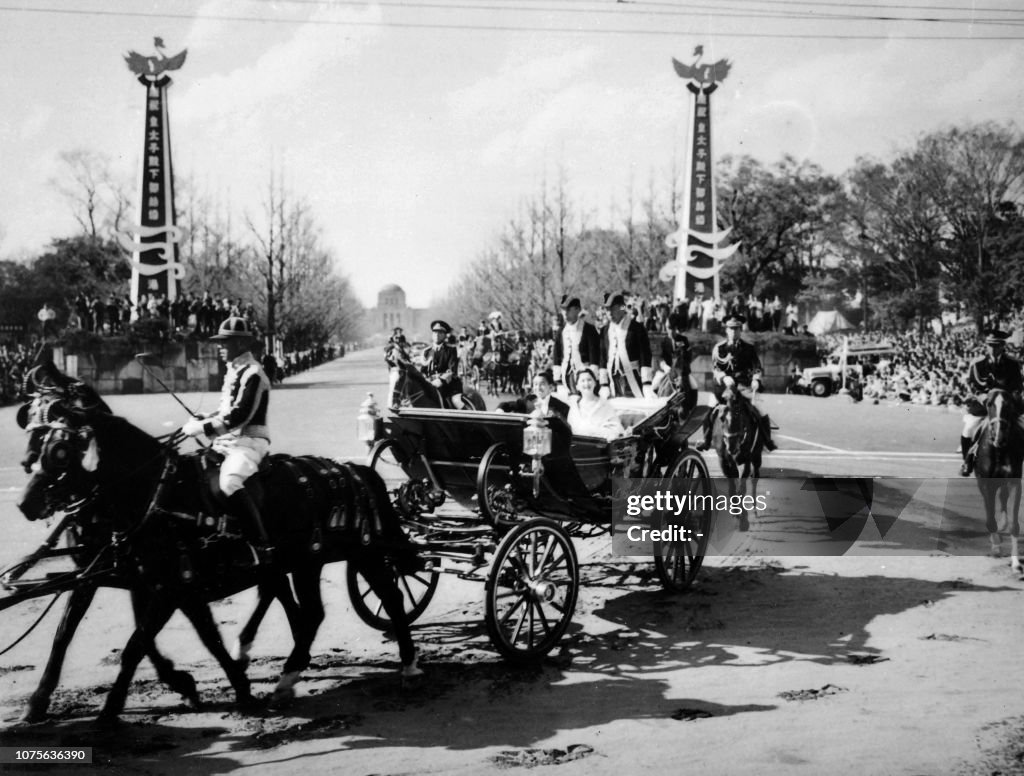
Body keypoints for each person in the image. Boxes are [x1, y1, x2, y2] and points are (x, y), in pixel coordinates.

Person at [181, 316, 273, 565]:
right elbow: (226, 411)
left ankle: (259, 544)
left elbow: (241, 416)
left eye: (225, 343)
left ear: (241, 345)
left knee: (229, 482)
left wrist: (201, 427)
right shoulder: (234, 370)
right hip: (228, 441)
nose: (220, 347)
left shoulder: (254, 373)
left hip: (249, 441)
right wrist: (206, 417)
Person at [697, 314, 777, 452]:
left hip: (744, 385)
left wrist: (756, 379)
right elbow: (716, 367)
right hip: (723, 387)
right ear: (726, 330)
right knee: (710, 410)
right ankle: (706, 439)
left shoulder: (749, 348)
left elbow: (757, 366)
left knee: (760, 410)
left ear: (741, 330)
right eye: (731, 328)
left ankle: (767, 441)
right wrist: (723, 377)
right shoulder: (719, 348)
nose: (734, 331)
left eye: (737, 328)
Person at [958, 329, 1024, 476]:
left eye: (996, 345)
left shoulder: (1012, 364)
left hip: (1006, 407)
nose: (993, 349)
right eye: (990, 345)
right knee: (968, 429)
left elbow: (1017, 385)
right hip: (983, 407)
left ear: (1002, 346)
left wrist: (1010, 397)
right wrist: (981, 397)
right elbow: (973, 384)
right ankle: (967, 462)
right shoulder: (978, 364)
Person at [599, 292, 654, 400]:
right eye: (607, 309)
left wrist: (646, 383)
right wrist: (604, 384)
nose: (609, 313)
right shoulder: (604, 331)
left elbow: (645, 355)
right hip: (613, 382)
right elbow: (602, 357)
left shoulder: (637, 328)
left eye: (613, 308)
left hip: (633, 379)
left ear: (622, 308)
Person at [552, 296, 601, 397]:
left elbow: (594, 355)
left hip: (584, 377)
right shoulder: (561, 331)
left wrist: (593, 376)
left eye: (569, 310)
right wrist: (558, 377)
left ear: (578, 310)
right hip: (566, 376)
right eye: (563, 310)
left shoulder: (589, 330)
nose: (565, 313)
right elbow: (557, 355)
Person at [655, 311, 698, 414]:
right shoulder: (663, 341)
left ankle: (691, 407)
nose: (669, 331)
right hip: (667, 370)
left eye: (670, 328)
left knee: (694, 385)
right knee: (653, 385)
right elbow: (660, 357)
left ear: (675, 328)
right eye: (667, 328)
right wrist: (664, 365)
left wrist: (683, 365)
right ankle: (656, 408)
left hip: (682, 371)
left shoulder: (684, 340)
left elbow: (688, 356)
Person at [567, 368, 625, 441]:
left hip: (601, 447)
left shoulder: (605, 405)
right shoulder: (574, 408)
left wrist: (593, 431)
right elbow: (569, 431)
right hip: (579, 447)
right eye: (583, 381)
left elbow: (616, 430)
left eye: (589, 380)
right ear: (577, 386)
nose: (586, 383)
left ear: (595, 383)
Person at [422, 320, 465, 409]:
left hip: (449, 387)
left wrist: (440, 380)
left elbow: (452, 371)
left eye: (440, 333)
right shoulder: (427, 351)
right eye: (435, 332)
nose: (437, 335)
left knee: (457, 401)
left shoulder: (451, 350)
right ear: (432, 335)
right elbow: (423, 371)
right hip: (430, 386)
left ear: (445, 335)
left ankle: (467, 421)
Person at [497, 370, 570, 420]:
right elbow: (506, 405)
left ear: (551, 387)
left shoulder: (562, 407)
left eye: (542, 384)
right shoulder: (528, 400)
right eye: (535, 384)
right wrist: (500, 410)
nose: (538, 388)